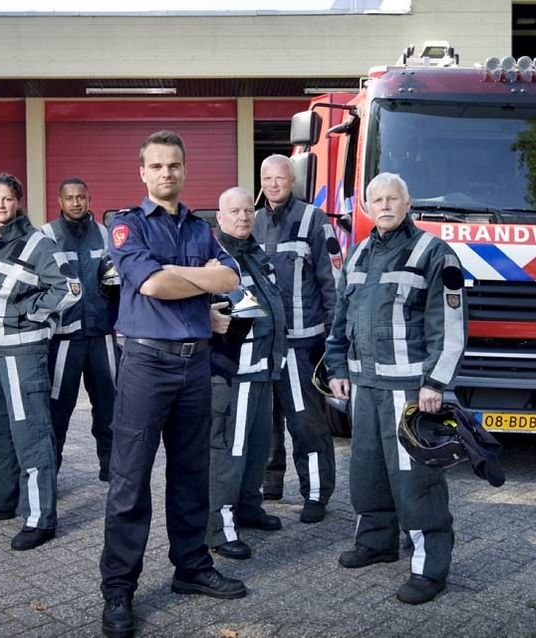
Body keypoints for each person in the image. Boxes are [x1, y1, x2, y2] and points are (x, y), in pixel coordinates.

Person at [100, 131, 246, 638]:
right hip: (147, 364)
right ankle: (119, 588)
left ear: (185, 171)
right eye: (158, 166)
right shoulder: (125, 225)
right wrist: (197, 277)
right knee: (129, 482)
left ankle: (191, 567)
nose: (167, 173)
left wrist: (184, 276)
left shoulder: (201, 227)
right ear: (143, 172)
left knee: (191, 474)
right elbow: (151, 284)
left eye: (175, 165)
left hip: (195, 365)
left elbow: (231, 279)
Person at [324, 172, 467, 605]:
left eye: (392, 199)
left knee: (415, 478)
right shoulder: (360, 253)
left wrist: (435, 382)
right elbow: (339, 317)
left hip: (409, 390)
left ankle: (429, 567)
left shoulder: (434, 252)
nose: (384, 206)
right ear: (366, 208)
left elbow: (450, 324)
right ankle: (376, 543)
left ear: (408, 204)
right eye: (377, 200)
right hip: (365, 387)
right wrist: (335, 367)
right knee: (367, 472)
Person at [0, 174, 82, 551]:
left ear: (18, 202)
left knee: (31, 434)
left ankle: (40, 517)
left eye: (8, 198)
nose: (1, 205)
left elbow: (70, 288)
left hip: (22, 352)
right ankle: (1, 499)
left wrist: (29, 311)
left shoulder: (38, 242)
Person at [254, 154, 342, 523]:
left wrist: (335, 341)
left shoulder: (313, 219)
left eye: (281, 178)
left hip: (302, 344)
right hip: (262, 342)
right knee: (265, 422)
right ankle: (269, 485)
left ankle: (316, 494)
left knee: (305, 423)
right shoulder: (252, 221)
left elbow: (333, 284)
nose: (274, 185)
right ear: (261, 182)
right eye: (268, 179)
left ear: (292, 180)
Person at [206, 187, 287, 560]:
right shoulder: (214, 261)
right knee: (229, 450)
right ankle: (219, 527)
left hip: (264, 370)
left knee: (256, 448)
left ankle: (248, 507)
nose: (242, 217)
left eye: (246, 211)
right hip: (234, 374)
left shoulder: (257, 255)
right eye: (234, 211)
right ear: (219, 218)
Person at [41, 178, 117, 482]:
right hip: (64, 339)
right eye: (70, 197)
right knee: (57, 409)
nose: (76, 203)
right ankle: (49, 475)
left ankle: (112, 469)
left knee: (110, 407)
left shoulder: (104, 234)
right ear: (60, 201)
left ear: (89, 199)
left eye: (81, 197)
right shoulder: (47, 236)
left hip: (101, 335)